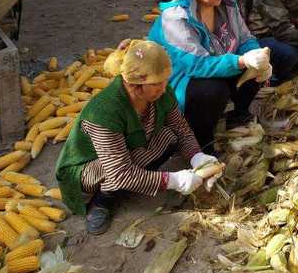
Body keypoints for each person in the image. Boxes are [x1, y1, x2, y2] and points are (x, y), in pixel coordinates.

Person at [55, 40, 222, 235]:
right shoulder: (105, 112)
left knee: (170, 136)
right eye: (156, 84)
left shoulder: (161, 93)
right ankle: (102, 201)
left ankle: (137, 182)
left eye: (165, 81)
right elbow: (119, 172)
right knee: (117, 173)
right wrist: (174, 180)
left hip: (129, 149)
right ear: (134, 85)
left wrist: (197, 157)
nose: (163, 88)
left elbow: (180, 128)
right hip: (87, 168)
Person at [147, 0, 272, 151]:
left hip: (216, 66)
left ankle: (237, 115)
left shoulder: (228, 3)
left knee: (255, 68)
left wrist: (258, 56)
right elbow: (196, 65)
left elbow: (245, 38)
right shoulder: (176, 18)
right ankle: (198, 140)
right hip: (181, 82)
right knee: (212, 90)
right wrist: (241, 61)